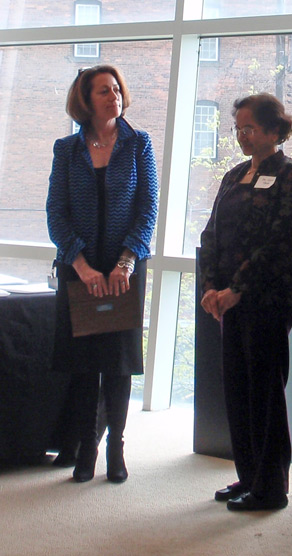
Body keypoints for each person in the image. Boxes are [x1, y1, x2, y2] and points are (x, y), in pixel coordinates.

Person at [199, 93, 292, 511]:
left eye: (250, 128)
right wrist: (212, 287)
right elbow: (211, 234)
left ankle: (270, 486)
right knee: (238, 389)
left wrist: (238, 288)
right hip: (227, 300)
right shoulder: (233, 176)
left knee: (265, 391)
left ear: (274, 129)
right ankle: (247, 476)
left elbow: (281, 241)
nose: (243, 136)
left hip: (266, 297)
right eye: (238, 128)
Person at [46, 64, 158, 483]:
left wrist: (125, 262)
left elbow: (148, 209)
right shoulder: (66, 150)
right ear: (85, 100)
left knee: (118, 362)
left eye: (115, 89)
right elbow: (56, 214)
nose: (113, 96)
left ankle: (116, 448)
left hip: (124, 270)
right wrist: (82, 266)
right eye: (102, 91)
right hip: (80, 269)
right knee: (83, 364)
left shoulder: (138, 144)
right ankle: (85, 448)